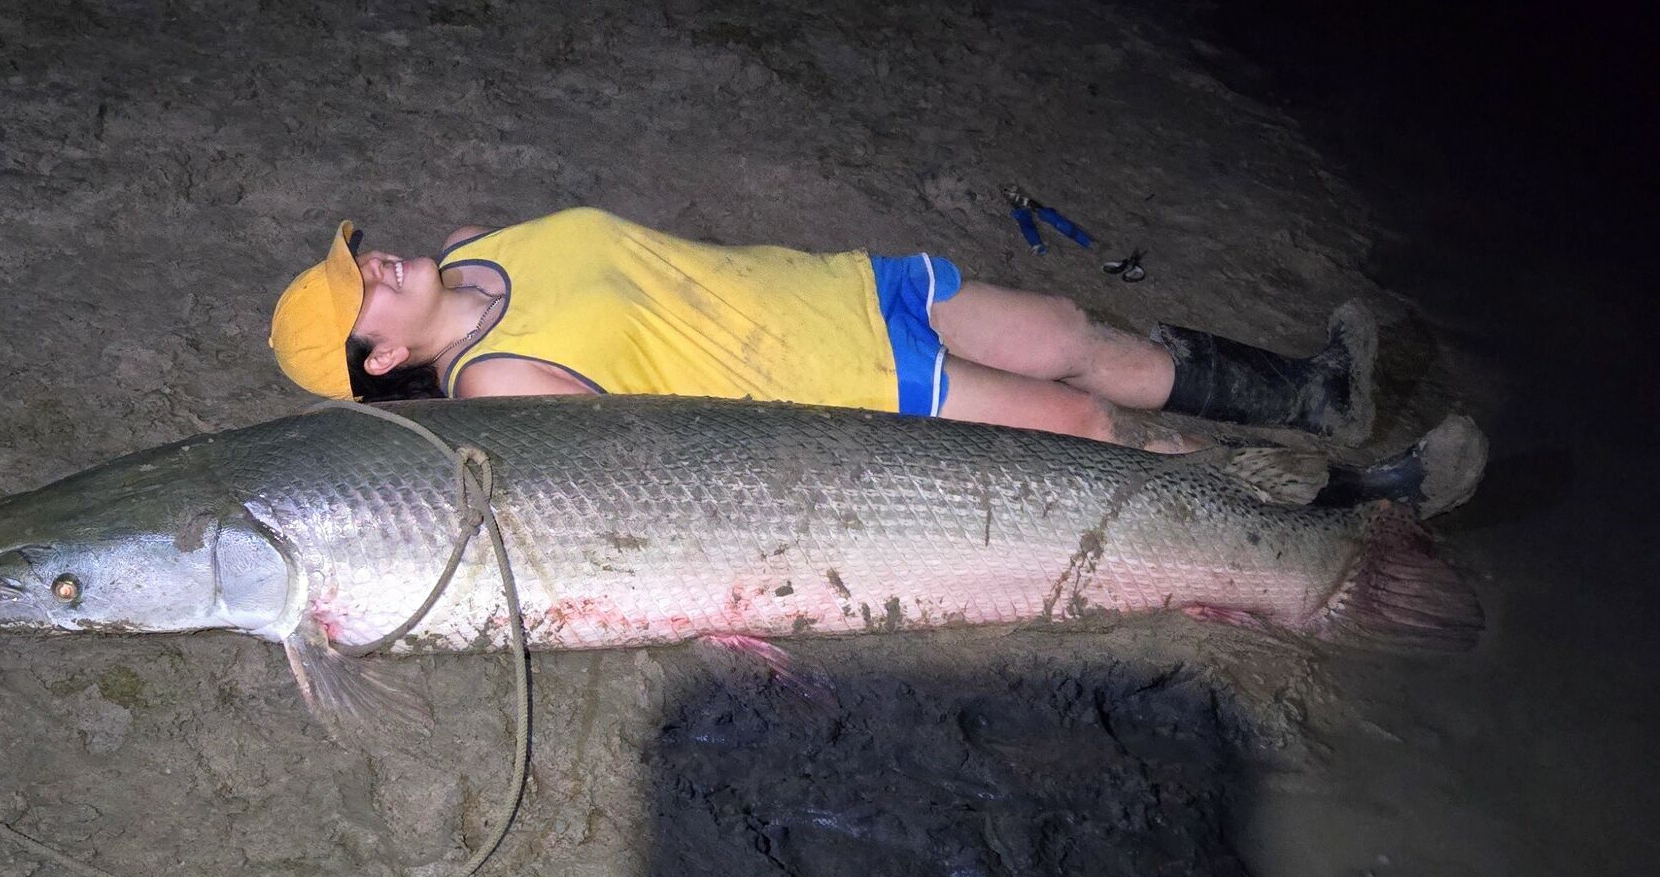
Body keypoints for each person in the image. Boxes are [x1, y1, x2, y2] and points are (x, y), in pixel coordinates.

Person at [269, 207, 1480, 509]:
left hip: (852, 285)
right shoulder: (498, 383)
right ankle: (1347, 499)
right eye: (356, 294)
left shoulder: (478, 248)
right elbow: (642, 469)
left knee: (1077, 337)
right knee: (1092, 435)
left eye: (355, 257)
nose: (373, 265)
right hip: (852, 381)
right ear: (383, 360)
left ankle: (1314, 398)